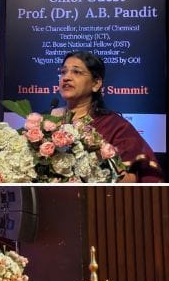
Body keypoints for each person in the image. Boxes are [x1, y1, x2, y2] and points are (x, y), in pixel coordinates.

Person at [56, 51, 163, 182]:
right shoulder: (46, 123)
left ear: (96, 84)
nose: (66, 77)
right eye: (63, 72)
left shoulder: (115, 126)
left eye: (76, 72)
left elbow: (137, 178)